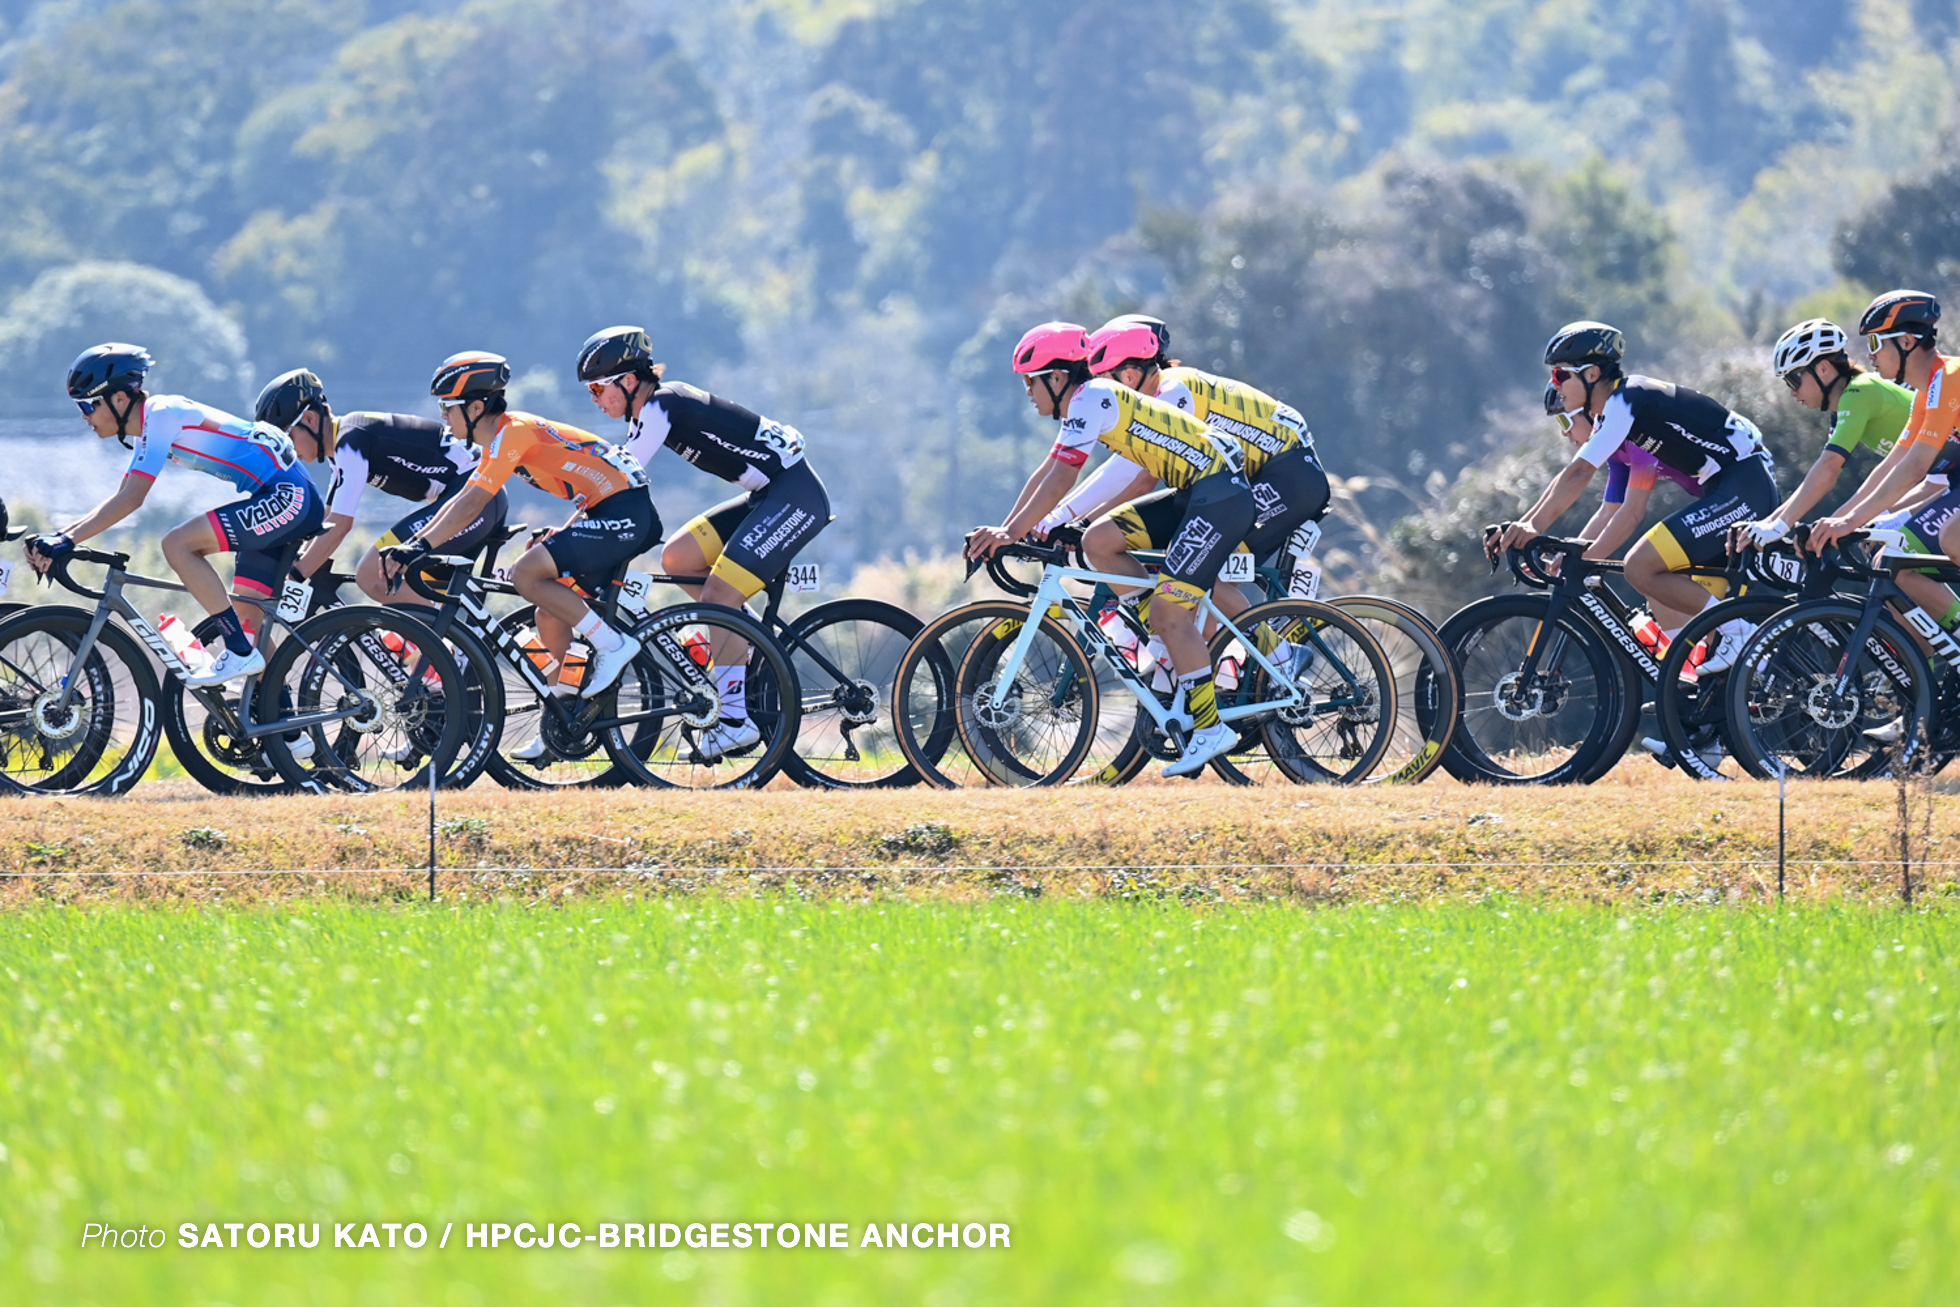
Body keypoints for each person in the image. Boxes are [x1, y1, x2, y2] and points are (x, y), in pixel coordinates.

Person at [966, 321, 1255, 778]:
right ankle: (1162, 647)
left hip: (1218, 495)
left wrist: (1013, 534)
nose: (1028, 392)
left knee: (1169, 612)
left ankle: (1209, 727)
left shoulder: (1092, 397)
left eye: (1030, 381)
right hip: (1195, 491)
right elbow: (1046, 471)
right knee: (1098, 540)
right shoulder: (1088, 401)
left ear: (1057, 378)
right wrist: (1011, 527)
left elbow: (1063, 478)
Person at [577, 325, 830, 761]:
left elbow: (619, 479)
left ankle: (735, 721)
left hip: (794, 494)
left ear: (629, 381)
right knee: (678, 557)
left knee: (717, 597)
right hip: (768, 495)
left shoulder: (661, 404)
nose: (594, 399)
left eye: (599, 388)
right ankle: (745, 638)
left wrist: (570, 531)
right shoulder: (651, 409)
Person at [26, 344, 327, 685]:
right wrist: (59, 536)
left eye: (88, 405)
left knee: (178, 545)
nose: (84, 416)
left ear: (121, 399)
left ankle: (239, 653)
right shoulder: (152, 427)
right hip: (280, 494)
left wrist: (65, 540)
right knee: (248, 616)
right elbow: (122, 496)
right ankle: (286, 726)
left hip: (287, 497)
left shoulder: (161, 415)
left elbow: (133, 500)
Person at [1497, 321, 1776, 671]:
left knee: (1641, 566)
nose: (1555, 385)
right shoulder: (1616, 422)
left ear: (1592, 373)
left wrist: (1534, 527)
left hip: (1743, 486)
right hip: (1726, 490)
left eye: (1559, 375)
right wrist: (1545, 536)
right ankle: (1695, 692)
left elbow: (1587, 479)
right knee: (1660, 588)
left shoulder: (1627, 400)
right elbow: (1608, 507)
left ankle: (1745, 638)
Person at [379, 352, 654, 705]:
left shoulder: (514, 433)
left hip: (625, 511)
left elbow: (472, 504)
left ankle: (612, 644)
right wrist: (418, 543)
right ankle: (563, 708)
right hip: (608, 509)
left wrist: (418, 547)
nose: (443, 417)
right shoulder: (502, 439)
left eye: (448, 406)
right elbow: (464, 497)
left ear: (476, 408)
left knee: (527, 574)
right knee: (549, 610)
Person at [1044, 314, 1327, 623]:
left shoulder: (1173, 392)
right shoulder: (1158, 394)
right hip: (1250, 479)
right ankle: (1214, 660)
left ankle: (1274, 656)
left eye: (1105, 380)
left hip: (1288, 478)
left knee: (1201, 569)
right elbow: (1120, 475)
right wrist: (1079, 522)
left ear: (1129, 374)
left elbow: (1137, 479)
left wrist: (1067, 518)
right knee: (1188, 574)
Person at [254, 369, 510, 602]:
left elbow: (341, 525)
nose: (285, 449)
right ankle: (446, 645)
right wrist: (295, 558)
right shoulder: (342, 445)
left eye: (286, 437)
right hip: (471, 495)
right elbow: (327, 521)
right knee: (395, 577)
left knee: (372, 573)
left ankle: (444, 647)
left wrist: (294, 577)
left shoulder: (350, 441)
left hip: (474, 495)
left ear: (309, 419)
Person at [1808, 294, 1960, 619]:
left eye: (1876, 341)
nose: (1870, 354)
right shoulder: (1925, 393)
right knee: (1896, 562)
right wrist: (1845, 519)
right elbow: (1894, 463)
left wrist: (1851, 521)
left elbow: (1916, 468)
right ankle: (1925, 665)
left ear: (1906, 341)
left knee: (1953, 537)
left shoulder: (1949, 377)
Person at [1542, 382, 1705, 565]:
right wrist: (1569, 555)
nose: (1564, 433)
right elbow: (1609, 511)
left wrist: (1579, 562)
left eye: (1564, 421)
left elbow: (1632, 513)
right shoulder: (1616, 449)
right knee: (1658, 579)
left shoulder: (1636, 441)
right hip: (1713, 498)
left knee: (1647, 569)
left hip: (1729, 493)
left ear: (1590, 412)